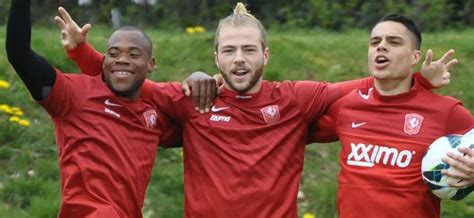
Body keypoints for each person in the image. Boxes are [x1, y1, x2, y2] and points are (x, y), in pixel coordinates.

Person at [61, 3, 452, 217]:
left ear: (265, 54)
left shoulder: (296, 98)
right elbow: (125, 77)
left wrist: (421, 82)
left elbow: (369, 85)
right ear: (216, 55)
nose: (239, 59)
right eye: (229, 50)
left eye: (249, 49)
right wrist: (81, 51)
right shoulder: (192, 97)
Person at [5, 0, 215, 217]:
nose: (122, 60)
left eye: (134, 55)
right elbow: (19, 54)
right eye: (113, 54)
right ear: (104, 60)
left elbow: (205, 129)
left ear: (151, 64)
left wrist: (201, 78)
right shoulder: (73, 94)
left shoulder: (153, 117)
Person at [309, 14, 474, 218]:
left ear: (415, 57)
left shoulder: (446, 111)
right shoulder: (347, 105)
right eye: (375, 42)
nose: (381, 46)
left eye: (394, 42)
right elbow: (292, 133)